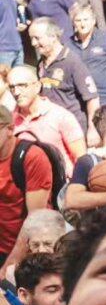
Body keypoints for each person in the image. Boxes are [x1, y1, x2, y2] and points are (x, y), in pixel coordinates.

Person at [28, 16, 100, 135]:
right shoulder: (41, 64)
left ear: (53, 37)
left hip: (74, 130)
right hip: (52, 128)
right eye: (31, 38)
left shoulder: (72, 62)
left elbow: (92, 98)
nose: (33, 43)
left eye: (37, 38)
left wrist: (93, 130)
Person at [0, 104, 52, 264]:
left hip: (27, 251)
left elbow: (35, 219)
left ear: (10, 129)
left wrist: (9, 265)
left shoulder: (31, 157)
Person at [9, 64, 85, 171]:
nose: (16, 92)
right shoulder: (8, 121)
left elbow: (81, 159)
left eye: (22, 85)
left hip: (61, 184)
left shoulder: (61, 116)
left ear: (37, 86)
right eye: (12, 87)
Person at [70, 1, 106, 107]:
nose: (82, 24)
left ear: (93, 21)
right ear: (73, 23)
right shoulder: (68, 45)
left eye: (86, 19)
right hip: (81, 101)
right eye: (78, 20)